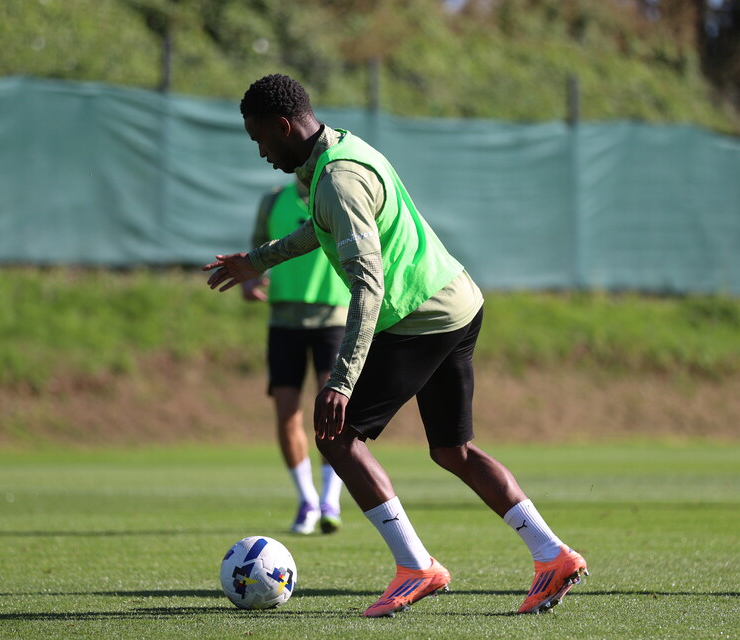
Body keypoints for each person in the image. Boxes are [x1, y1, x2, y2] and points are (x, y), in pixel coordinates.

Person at [205, 74, 588, 617]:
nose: (262, 153)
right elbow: (322, 229)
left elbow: (368, 285)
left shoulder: (336, 179)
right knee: (452, 449)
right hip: (457, 301)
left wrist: (339, 381)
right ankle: (553, 556)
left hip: (420, 319)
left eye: (259, 140)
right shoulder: (342, 151)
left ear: (282, 127)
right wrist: (257, 260)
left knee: (337, 436)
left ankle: (416, 567)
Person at [242, 180, 351, 535]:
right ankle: (307, 500)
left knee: (331, 410)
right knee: (287, 410)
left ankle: (330, 500)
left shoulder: (337, 194)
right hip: (283, 318)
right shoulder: (274, 199)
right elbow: (258, 246)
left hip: (333, 316)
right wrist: (249, 278)